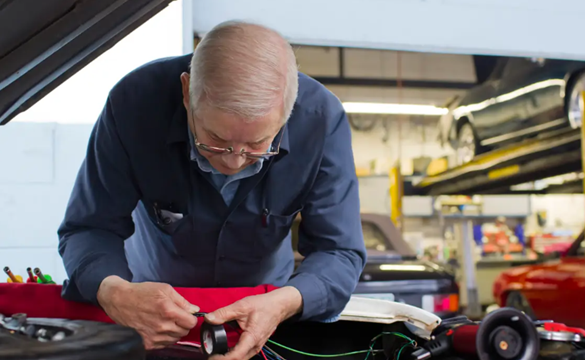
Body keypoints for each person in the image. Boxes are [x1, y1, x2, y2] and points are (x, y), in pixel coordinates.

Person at [57, 20, 367, 359]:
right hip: (152, 313)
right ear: (187, 92)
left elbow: (339, 251)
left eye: (257, 145)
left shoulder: (321, 119)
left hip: (266, 312)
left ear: (288, 113)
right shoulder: (135, 103)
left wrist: (285, 302)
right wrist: (114, 291)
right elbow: (89, 226)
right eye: (216, 141)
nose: (234, 161)